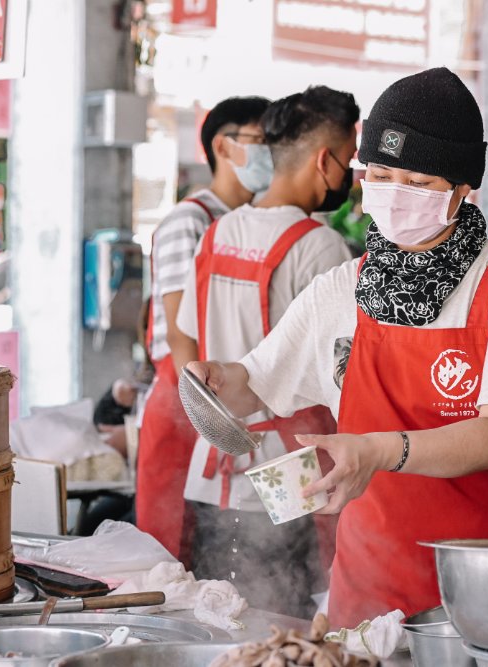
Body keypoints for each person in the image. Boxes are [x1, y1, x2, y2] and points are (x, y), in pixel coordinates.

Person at [187, 68, 488, 628]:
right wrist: (215, 381)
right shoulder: (341, 288)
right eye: (380, 174)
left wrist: (381, 450)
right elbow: (253, 383)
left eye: (419, 183)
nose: (397, 195)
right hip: (370, 588)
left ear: (462, 188)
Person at [175, 86, 357, 617]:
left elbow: (185, 341)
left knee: (219, 623)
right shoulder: (318, 245)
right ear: (326, 161)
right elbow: (339, 373)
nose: (349, 176)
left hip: (211, 470)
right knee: (284, 629)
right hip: (288, 478)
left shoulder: (217, 233)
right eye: (348, 160)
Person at [136, 96, 272, 563]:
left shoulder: (249, 223)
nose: (271, 152)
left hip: (220, 398)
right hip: (186, 402)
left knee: (221, 556)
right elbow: (180, 337)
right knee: (174, 552)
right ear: (223, 146)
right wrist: (210, 420)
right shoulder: (189, 221)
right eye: (261, 140)